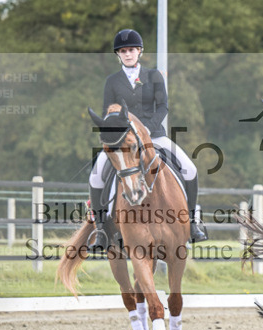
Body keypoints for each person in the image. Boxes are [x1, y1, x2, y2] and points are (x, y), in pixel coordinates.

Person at [88, 29, 207, 249]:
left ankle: (192, 222)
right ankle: (101, 230)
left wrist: (147, 129)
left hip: (154, 136)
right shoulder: (112, 81)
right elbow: (109, 111)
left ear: (139, 51)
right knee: (95, 178)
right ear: (119, 55)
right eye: (123, 51)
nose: (127, 54)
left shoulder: (154, 76)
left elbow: (163, 107)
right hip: (123, 141)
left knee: (190, 169)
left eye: (131, 50)